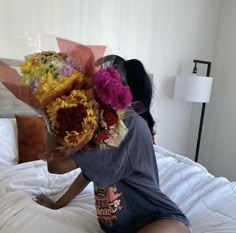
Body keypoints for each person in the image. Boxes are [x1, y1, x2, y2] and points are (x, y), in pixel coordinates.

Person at [36, 56, 191, 233]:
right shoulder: (104, 128)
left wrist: (50, 114)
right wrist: (56, 205)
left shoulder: (127, 125)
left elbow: (57, 166)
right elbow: (88, 173)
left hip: (159, 220)